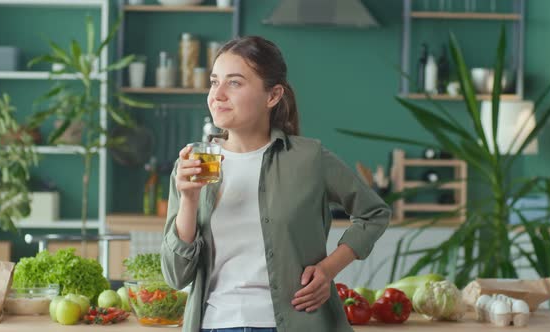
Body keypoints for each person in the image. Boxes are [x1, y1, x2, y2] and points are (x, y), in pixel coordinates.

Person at [161, 36, 391, 332]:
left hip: (297, 323)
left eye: (234, 83)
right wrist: (189, 200)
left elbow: (374, 213)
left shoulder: (309, 158)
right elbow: (176, 276)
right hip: (214, 325)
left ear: (273, 96)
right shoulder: (193, 165)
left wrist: (328, 269)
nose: (216, 95)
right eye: (213, 81)